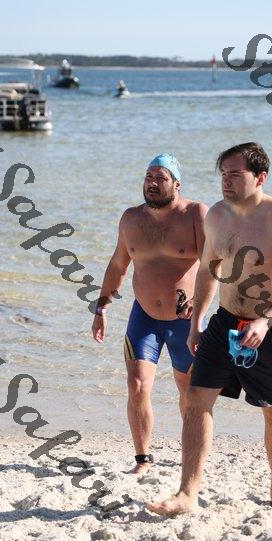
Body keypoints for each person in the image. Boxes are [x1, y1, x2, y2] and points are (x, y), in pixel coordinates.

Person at [148, 142, 272, 515]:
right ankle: (187, 493)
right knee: (196, 399)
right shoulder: (217, 215)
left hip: (269, 328)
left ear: (260, 177)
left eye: (235, 174)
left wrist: (265, 321)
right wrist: (196, 322)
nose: (226, 181)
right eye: (223, 174)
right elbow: (208, 270)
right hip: (224, 322)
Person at [92, 154, 208, 473]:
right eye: (148, 177)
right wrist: (101, 307)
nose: (152, 183)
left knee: (189, 392)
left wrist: (201, 303)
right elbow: (118, 265)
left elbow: (215, 265)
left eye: (161, 177)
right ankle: (143, 458)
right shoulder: (131, 219)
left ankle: (191, 456)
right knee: (137, 386)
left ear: (177, 184)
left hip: (185, 321)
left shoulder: (196, 214)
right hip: (144, 317)